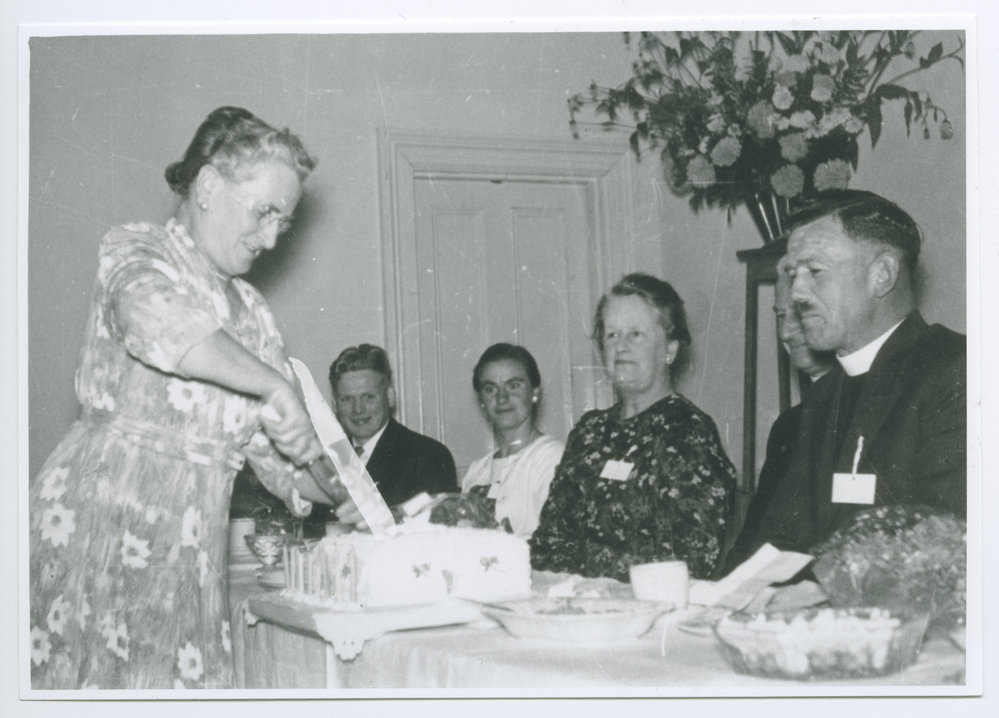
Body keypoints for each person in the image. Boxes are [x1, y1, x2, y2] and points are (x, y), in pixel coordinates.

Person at [28, 107, 342, 689]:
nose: (272, 238)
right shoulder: (137, 250)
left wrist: (342, 490)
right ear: (206, 186)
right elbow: (161, 325)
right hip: (94, 530)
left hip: (186, 560)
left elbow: (285, 467)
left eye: (285, 223)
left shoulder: (254, 317)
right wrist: (275, 386)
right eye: (264, 212)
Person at [750, 190, 966, 555]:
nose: (797, 293)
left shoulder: (957, 372)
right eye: (792, 273)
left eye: (815, 271)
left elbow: (946, 553)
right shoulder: (825, 393)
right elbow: (781, 538)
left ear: (882, 274)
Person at [530, 273, 737, 582]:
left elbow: (690, 559)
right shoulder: (589, 431)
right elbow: (550, 540)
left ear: (669, 349)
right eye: (612, 335)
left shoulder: (687, 431)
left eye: (636, 334)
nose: (621, 347)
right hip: (574, 608)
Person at [722, 262, 835, 572]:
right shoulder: (787, 426)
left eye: (799, 314)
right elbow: (753, 536)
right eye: (780, 316)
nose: (787, 332)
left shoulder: (867, 407)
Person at [312, 344, 458, 530]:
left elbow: (433, 536)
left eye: (368, 397)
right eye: (347, 399)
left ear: (390, 397)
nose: (358, 409)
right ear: (334, 404)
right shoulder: (325, 460)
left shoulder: (429, 456)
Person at [460, 343, 565, 538]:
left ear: (534, 393)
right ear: (482, 401)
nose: (502, 397)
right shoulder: (477, 471)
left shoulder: (551, 458)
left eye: (513, 385)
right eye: (490, 389)